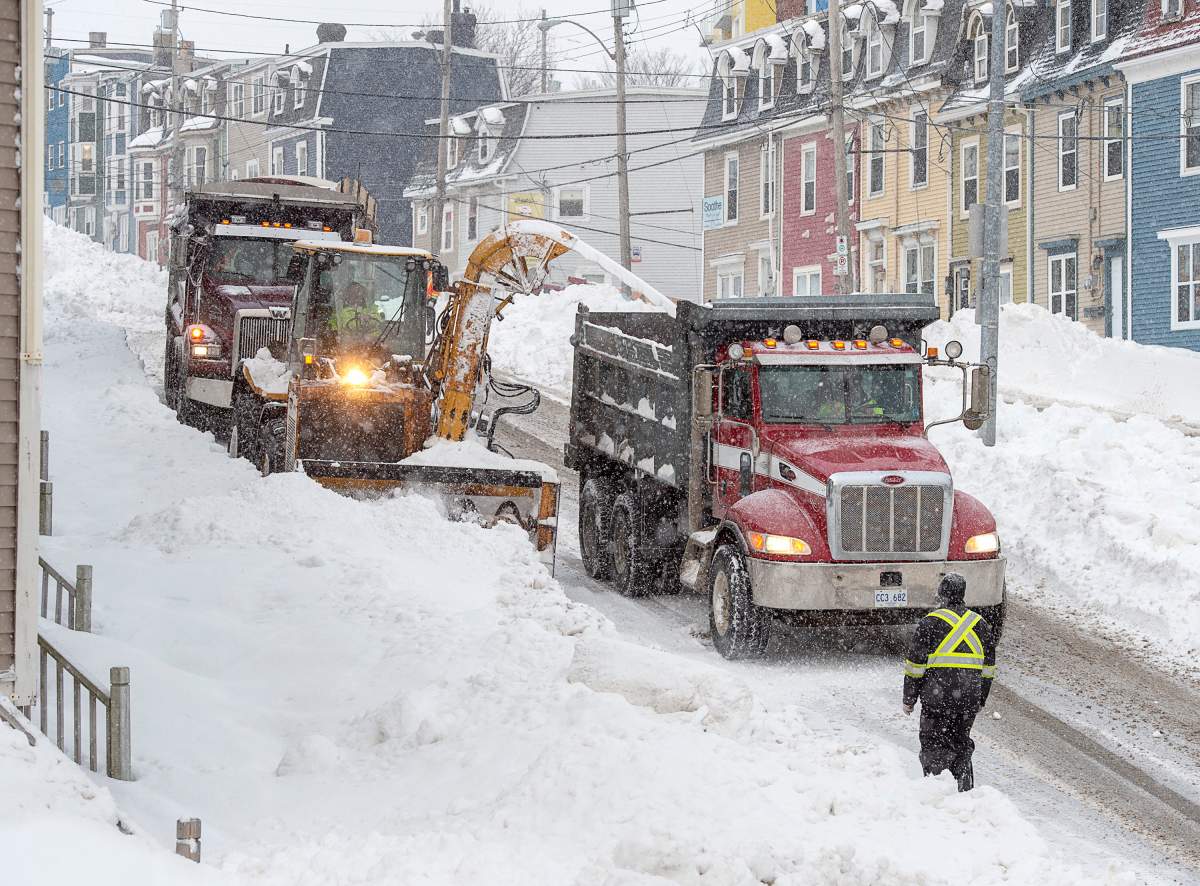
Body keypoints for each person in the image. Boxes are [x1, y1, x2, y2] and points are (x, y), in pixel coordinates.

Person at [902, 573, 998, 792]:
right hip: (968, 699)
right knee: (960, 742)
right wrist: (980, 698)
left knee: (934, 744)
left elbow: (915, 666)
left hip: (937, 696)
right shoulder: (980, 625)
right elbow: (988, 669)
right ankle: (965, 788)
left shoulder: (930, 623)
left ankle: (937, 793)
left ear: (942, 594)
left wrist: (909, 698)